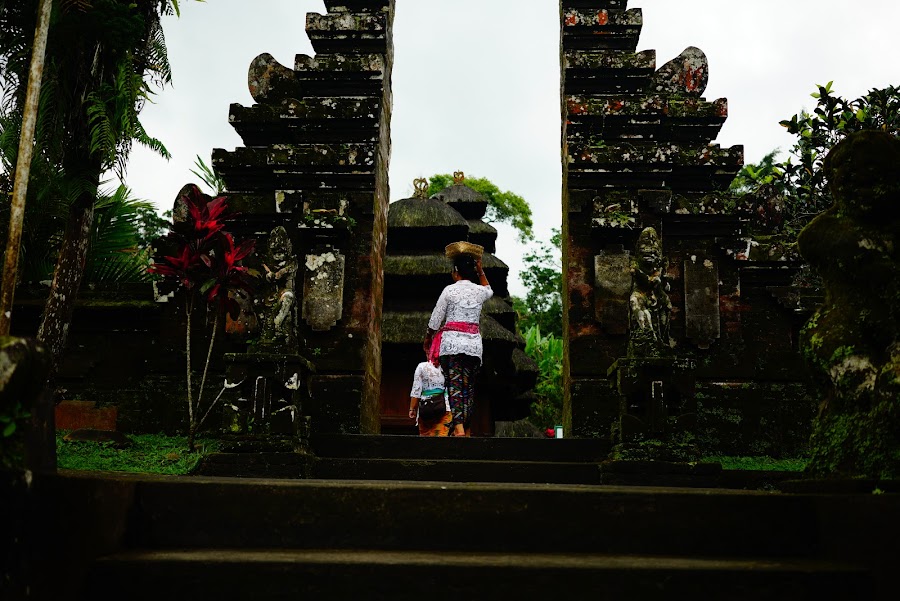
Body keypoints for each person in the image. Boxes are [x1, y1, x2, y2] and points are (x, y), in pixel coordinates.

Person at [424, 250, 492, 437]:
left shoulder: (449, 290)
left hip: (452, 345)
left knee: (454, 386)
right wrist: (481, 270)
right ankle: (466, 429)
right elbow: (489, 290)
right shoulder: (480, 291)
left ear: (455, 272)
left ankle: (459, 429)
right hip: (473, 347)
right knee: (468, 388)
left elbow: (436, 318)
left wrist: (428, 337)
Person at [408, 353, 451, 437]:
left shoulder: (422, 366)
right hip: (444, 407)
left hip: (426, 408)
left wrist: (412, 409)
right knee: (440, 440)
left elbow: (416, 391)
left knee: (426, 441)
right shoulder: (448, 367)